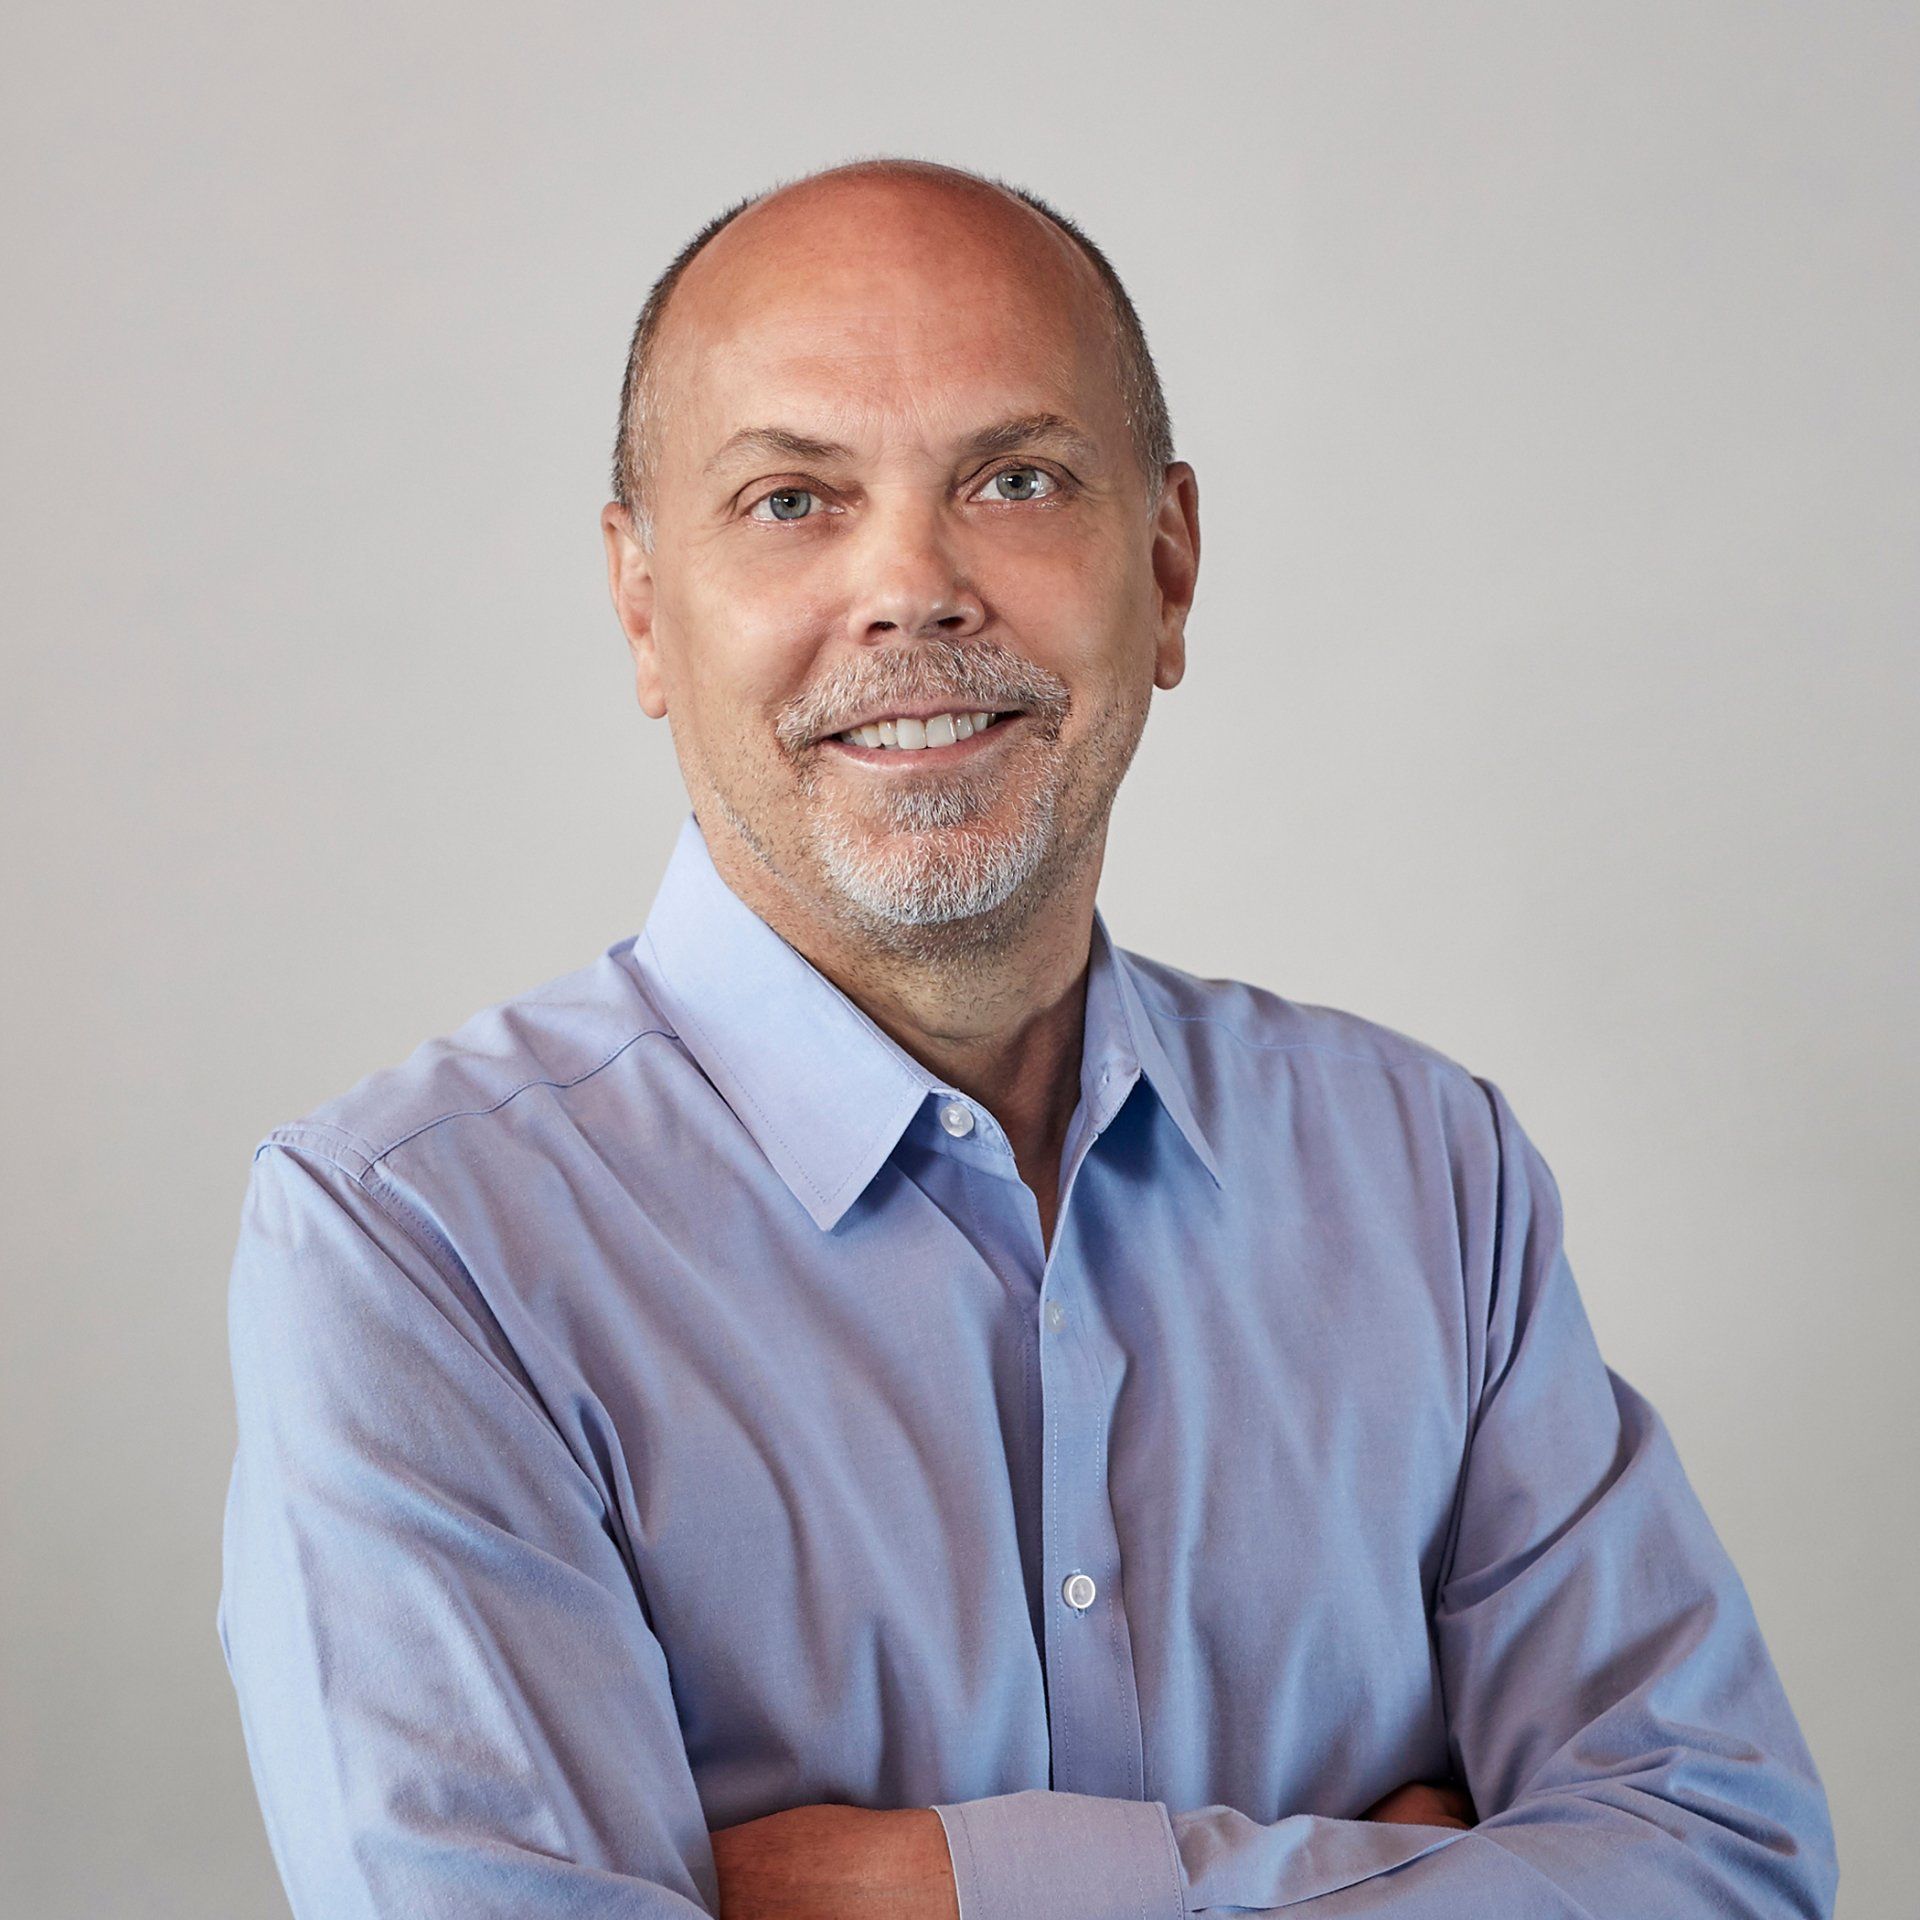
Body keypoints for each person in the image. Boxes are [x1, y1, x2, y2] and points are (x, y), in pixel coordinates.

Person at [217, 158, 1837, 1919]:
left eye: (1016, 478)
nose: (912, 587)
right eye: (789, 500)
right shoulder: (414, 1248)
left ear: (1169, 562)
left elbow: (1731, 1868)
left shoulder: (1431, 1171)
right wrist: (1406, 1873)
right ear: (639, 606)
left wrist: (945, 1885)